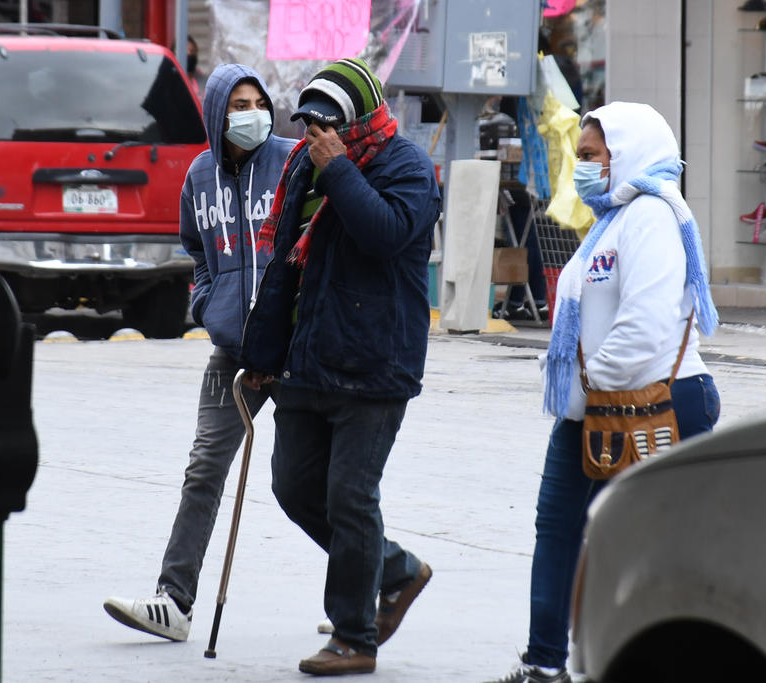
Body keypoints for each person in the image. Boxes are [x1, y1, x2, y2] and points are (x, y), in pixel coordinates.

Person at [487, 102, 721, 683]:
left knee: (652, 542)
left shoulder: (653, 216)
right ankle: (545, 663)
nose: (582, 168)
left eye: (591, 155)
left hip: (658, 404)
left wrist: (590, 382)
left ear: (629, 151)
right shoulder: (612, 221)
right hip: (595, 408)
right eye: (579, 156)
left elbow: (645, 327)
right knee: (558, 528)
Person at [239, 58, 441, 676]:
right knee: (295, 487)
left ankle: (354, 637)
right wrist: (264, 354)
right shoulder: (306, 166)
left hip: (375, 364)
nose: (315, 136)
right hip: (308, 360)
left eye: (326, 125)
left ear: (356, 119)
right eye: (308, 126)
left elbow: (386, 235)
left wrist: (341, 170)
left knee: (350, 498)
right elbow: (284, 263)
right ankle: (395, 571)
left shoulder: (407, 167)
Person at [103, 64, 298, 642]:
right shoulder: (199, 176)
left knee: (312, 482)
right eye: (238, 105)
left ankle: (367, 591)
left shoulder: (292, 162)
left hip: (294, 350)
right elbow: (198, 252)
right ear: (217, 114)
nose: (252, 115)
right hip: (232, 354)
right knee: (204, 469)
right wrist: (208, 305)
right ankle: (173, 600)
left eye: (258, 104)